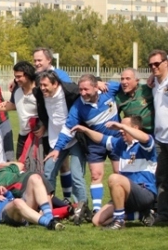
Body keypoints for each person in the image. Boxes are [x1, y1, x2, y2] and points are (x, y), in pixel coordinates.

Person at [46, 74, 121, 214]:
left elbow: (125, 85)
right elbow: (67, 129)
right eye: (80, 90)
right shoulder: (78, 106)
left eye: (86, 89)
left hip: (116, 140)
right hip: (95, 142)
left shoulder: (109, 90)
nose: (82, 93)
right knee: (96, 175)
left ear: (95, 86)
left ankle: (120, 206)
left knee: (119, 174)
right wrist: (57, 148)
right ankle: (97, 210)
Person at [72, 117, 158, 229]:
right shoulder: (121, 144)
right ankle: (140, 214)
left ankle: (119, 222)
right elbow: (102, 139)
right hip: (126, 196)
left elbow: (146, 138)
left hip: (144, 193)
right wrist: (86, 130)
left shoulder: (145, 145)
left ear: (135, 128)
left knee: (115, 178)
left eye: (124, 127)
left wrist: (122, 126)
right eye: (120, 127)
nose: (120, 130)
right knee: (97, 220)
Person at [33, 70, 89, 224]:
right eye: (41, 85)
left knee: (77, 175)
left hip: (75, 139)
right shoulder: (39, 93)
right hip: (56, 141)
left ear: (55, 84)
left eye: (45, 85)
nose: (42, 88)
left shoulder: (69, 91)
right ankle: (48, 208)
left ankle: (81, 207)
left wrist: (102, 83)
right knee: (49, 170)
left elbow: (88, 85)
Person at [0, 61, 38, 161]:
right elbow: (13, 105)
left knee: (37, 166)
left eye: (19, 76)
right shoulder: (17, 89)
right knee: (21, 164)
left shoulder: (39, 91)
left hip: (37, 135)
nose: (16, 79)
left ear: (28, 75)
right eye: (15, 76)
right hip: (23, 134)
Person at [0, 180, 64, 230]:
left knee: (34, 178)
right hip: (5, 215)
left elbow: (10, 200)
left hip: (18, 208)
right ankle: (48, 223)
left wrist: (6, 193)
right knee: (17, 202)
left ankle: (50, 217)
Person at [148, 49, 168, 223]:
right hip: (161, 139)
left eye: (157, 64)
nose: (154, 67)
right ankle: (163, 215)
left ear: (166, 63)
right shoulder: (155, 82)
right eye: (150, 65)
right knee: (161, 178)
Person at [114, 68, 154, 135]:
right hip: (133, 134)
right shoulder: (119, 97)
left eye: (128, 78)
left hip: (152, 133)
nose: (124, 82)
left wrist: (153, 75)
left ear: (137, 80)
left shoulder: (147, 89)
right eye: (122, 79)